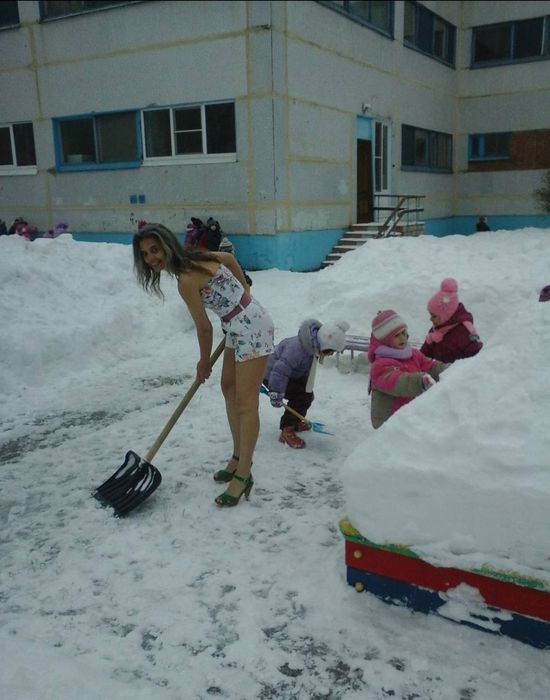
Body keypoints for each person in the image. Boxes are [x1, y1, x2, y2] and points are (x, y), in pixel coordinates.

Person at [133, 223, 274, 507]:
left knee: (246, 404)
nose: (151, 258)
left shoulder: (186, 279)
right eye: (145, 254)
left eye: (155, 249)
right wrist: (244, 293)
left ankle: (244, 473)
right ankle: (237, 457)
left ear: (167, 244)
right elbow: (230, 259)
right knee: (228, 388)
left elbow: (204, 329)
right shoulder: (197, 257)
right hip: (238, 325)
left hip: (250, 327)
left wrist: (203, 362)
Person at [263, 319, 350, 448]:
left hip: (288, 376)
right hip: (272, 376)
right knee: (300, 396)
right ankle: (287, 429)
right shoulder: (297, 349)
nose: (330, 355)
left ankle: (294, 421)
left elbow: (304, 371)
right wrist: (276, 392)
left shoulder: (312, 347)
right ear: (325, 345)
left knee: (306, 395)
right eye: (330, 352)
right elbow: (280, 370)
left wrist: (305, 386)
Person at [368, 310, 448, 429]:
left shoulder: (413, 354)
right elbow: (398, 382)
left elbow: (431, 366)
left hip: (409, 415)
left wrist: (450, 369)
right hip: (389, 421)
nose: (402, 338)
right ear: (385, 339)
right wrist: (419, 381)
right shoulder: (380, 365)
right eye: (396, 335)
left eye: (404, 333)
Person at [420, 278, 483, 363]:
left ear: (445, 315)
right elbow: (423, 355)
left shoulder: (466, 331)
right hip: (439, 373)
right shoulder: (436, 330)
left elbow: (476, 359)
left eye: (434, 316)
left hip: (457, 375)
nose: (430, 319)